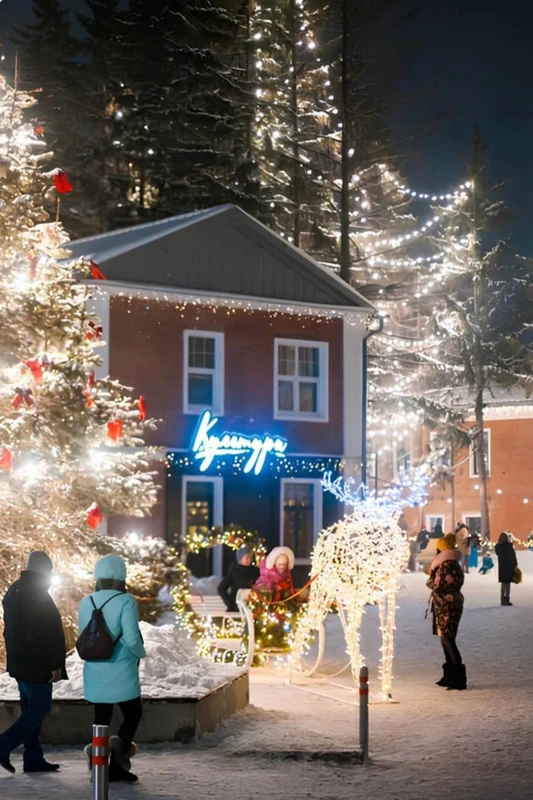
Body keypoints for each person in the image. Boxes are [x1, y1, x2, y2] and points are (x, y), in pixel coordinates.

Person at [79, 555, 146, 783]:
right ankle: (117, 761)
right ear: (121, 576)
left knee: (102, 717)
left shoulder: (86, 601)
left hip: (95, 670)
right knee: (133, 713)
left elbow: (84, 637)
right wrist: (141, 653)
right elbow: (131, 638)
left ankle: (97, 763)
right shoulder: (126, 601)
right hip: (122, 670)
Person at [0, 551, 67, 775]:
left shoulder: (16, 590)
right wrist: (54, 664)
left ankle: (33, 758)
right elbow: (42, 635)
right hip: (36, 664)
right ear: (44, 571)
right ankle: (3, 744)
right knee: (38, 708)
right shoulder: (35, 593)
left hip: (21, 662)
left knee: (31, 709)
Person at [426, 533, 466, 691]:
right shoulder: (452, 563)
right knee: (446, 639)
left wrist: (431, 579)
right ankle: (450, 675)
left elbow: (437, 584)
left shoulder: (446, 565)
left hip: (447, 605)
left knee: (448, 640)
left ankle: (457, 678)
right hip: (448, 604)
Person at [218, 547, 260, 612]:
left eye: (250, 558)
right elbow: (221, 588)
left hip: (253, 606)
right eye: (247, 558)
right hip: (237, 607)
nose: (249, 560)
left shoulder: (255, 571)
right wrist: (231, 604)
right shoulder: (234, 571)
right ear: (240, 559)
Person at [495, 532, 518, 606]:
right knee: (507, 584)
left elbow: (499, 553)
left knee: (504, 584)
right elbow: (513, 556)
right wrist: (515, 564)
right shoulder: (509, 546)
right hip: (509, 566)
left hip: (502, 567)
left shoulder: (498, 547)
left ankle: (502, 599)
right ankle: (507, 599)